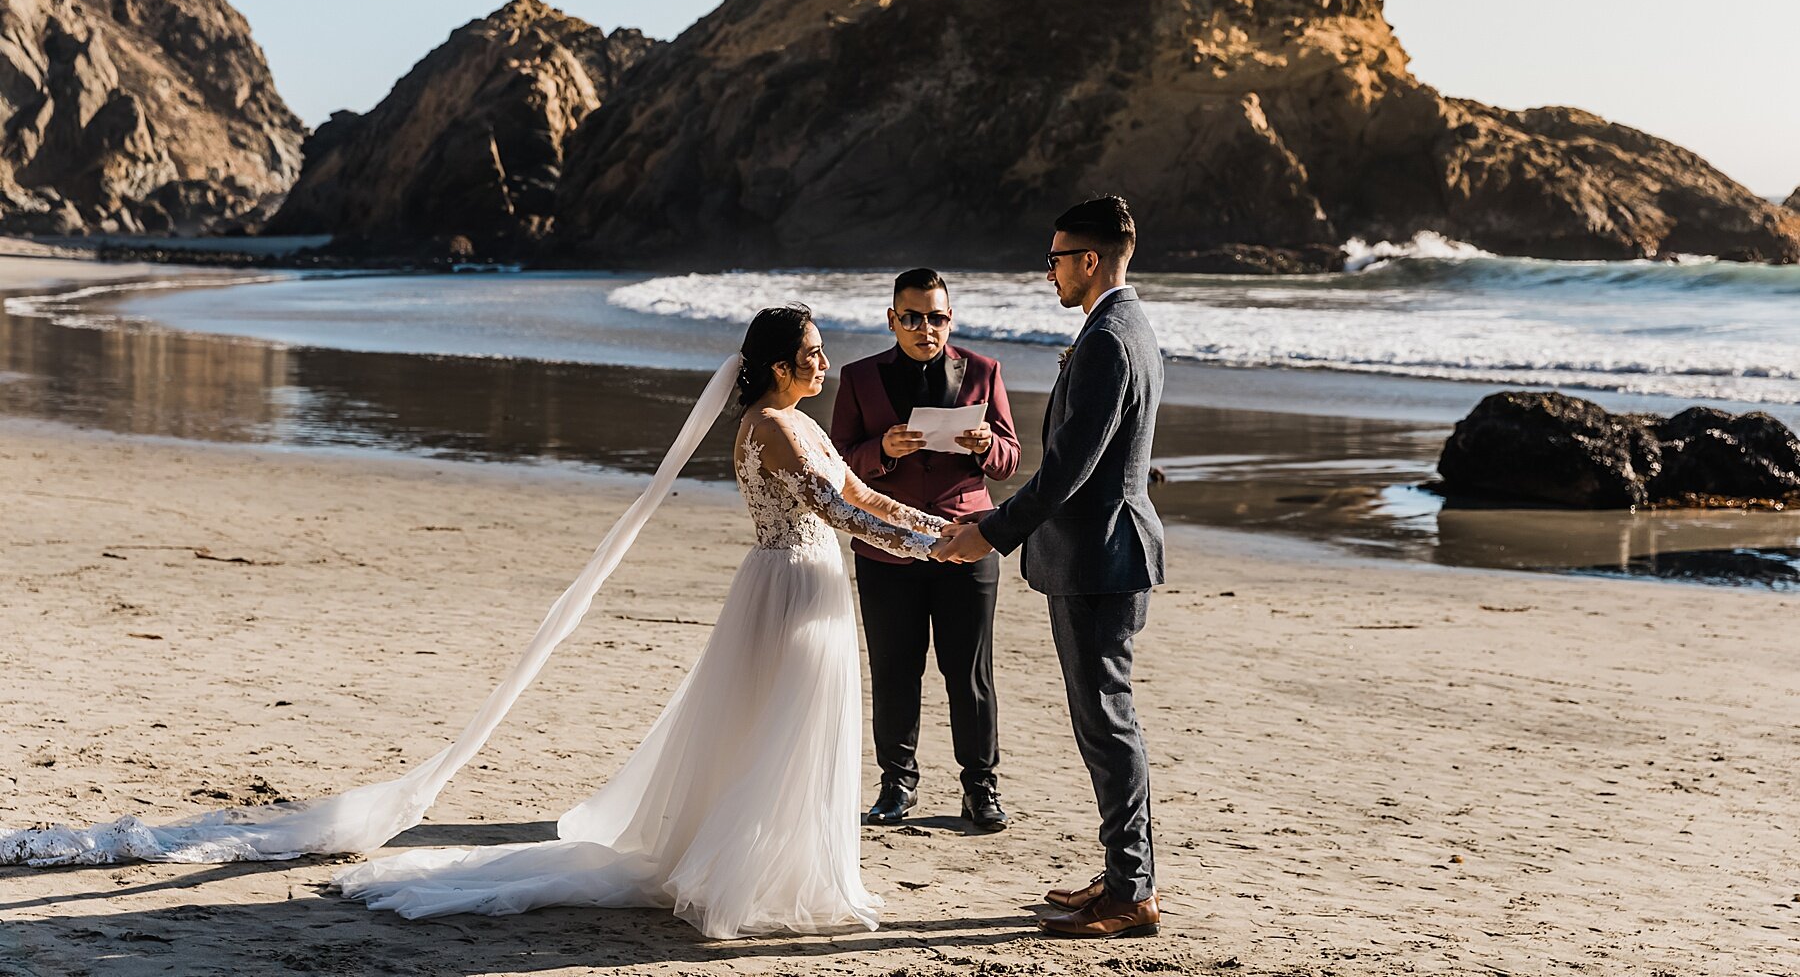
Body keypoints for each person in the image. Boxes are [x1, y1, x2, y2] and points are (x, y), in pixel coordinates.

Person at [3, 306, 950, 942]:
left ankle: (785, 871)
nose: (827, 360)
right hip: (791, 585)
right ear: (783, 361)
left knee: (786, 735)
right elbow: (846, 514)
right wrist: (934, 546)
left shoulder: (803, 420)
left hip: (807, 585)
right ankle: (750, 881)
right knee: (779, 734)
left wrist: (943, 527)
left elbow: (864, 491)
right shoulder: (777, 427)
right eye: (816, 350)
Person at [934, 195, 1165, 940]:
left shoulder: (1106, 340)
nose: (1049, 272)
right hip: (1103, 548)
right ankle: (1126, 873)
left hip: (1100, 556)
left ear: (1089, 260)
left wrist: (991, 531)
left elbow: (1067, 469)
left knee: (1106, 720)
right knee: (1103, 718)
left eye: (1058, 258)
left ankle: (1132, 893)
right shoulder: (1126, 326)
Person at [830, 268, 1021, 830]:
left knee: (970, 673)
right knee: (894, 669)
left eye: (936, 317)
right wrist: (881, 449)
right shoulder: (861, 377)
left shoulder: (985, 371)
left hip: (967, 541)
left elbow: (1011, 459)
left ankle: (980, 790)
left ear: (950, 319)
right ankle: (897, 784)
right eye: (912, 317)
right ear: (893, 320)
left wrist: (989, 446)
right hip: (887, 549)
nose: (925, 328)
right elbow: (837, 461)